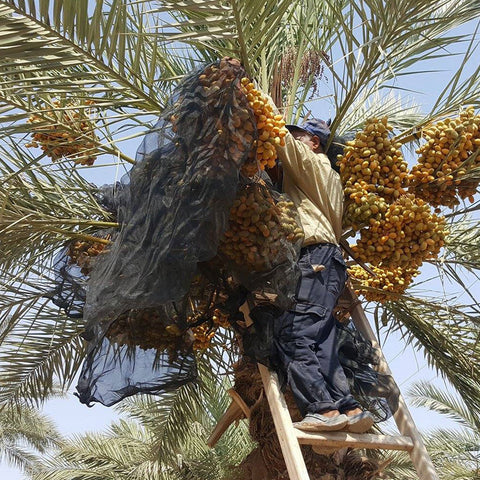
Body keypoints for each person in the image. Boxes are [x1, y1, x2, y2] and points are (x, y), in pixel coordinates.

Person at [271, 118, 375, 433]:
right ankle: (349, 407)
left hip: (314, 257)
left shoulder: (312, 163)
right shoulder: (328, 181)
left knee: (293, 334)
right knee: (322, 339)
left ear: (314, 142)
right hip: (330, 261)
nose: (292, 140)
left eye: (298, 136)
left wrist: (253, 100)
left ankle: (322, 410)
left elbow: (280, 139)